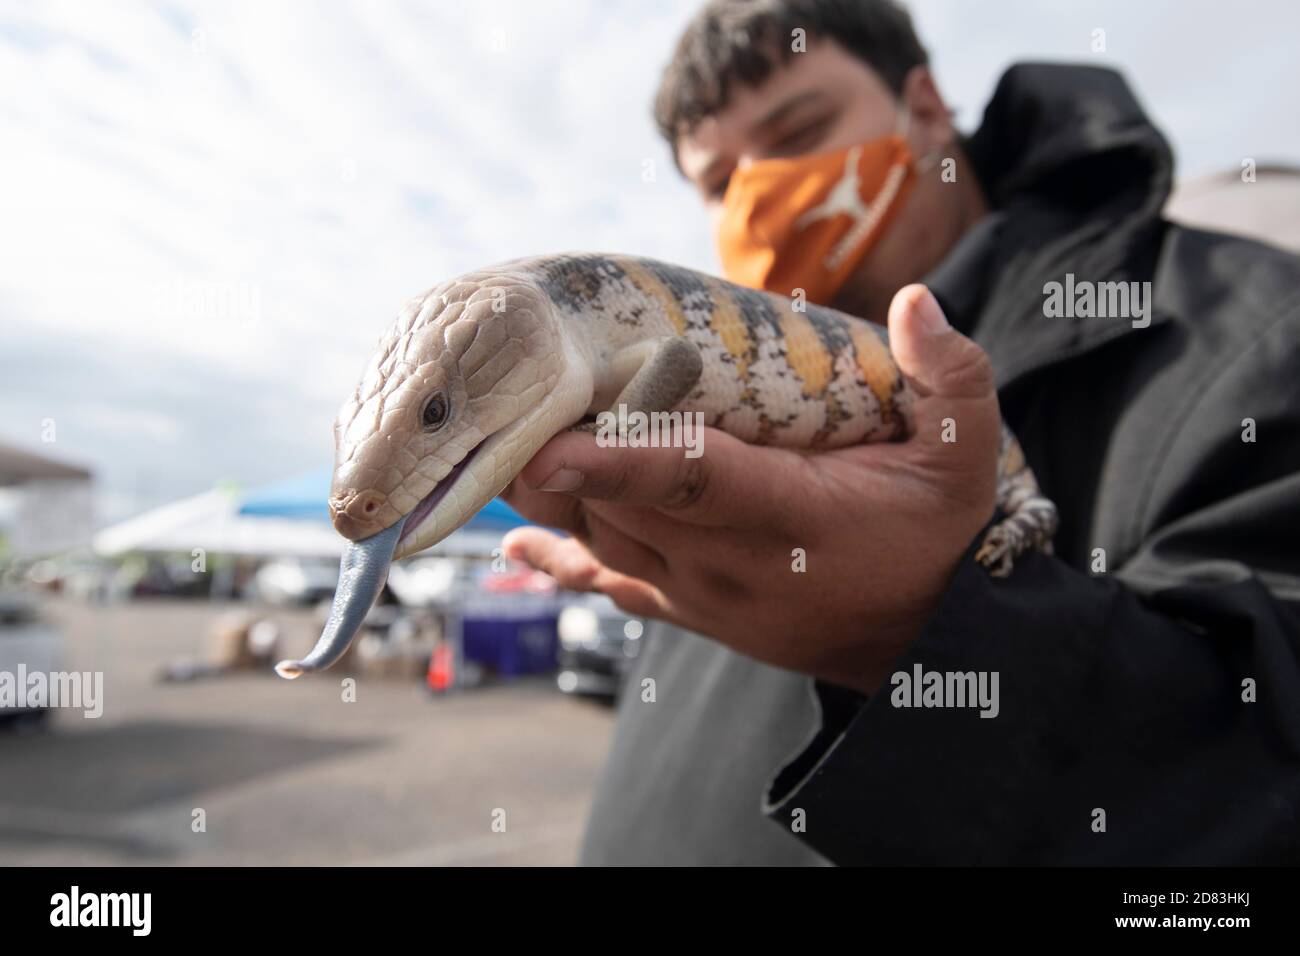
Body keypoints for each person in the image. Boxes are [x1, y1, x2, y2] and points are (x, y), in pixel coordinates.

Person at [502, 0, 1300, 864]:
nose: (760, 196)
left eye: (799, 131)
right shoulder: (704, 396)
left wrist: (920, 634)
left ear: (923, 109)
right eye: (721, 183)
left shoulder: (1255, 333)